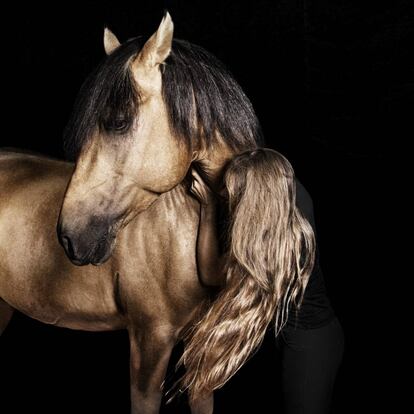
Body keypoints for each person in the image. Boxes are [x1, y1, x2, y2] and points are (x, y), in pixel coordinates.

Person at [179, 148, 345, 413]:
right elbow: (272, 167)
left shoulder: (281, 245)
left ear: (257, 199)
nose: (230, 199)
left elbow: (210, 274)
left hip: (312, 344)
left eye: (237, 194)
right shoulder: (292, 196)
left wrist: (208, 209)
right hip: (292, 336)